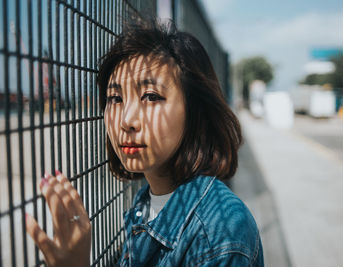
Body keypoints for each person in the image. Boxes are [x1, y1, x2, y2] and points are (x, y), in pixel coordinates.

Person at [25, 16, 264, 267]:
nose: (127, 120)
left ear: (195, 111)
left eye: (151, 96)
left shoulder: (221, 231)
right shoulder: (146, 200)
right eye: (115, 98)